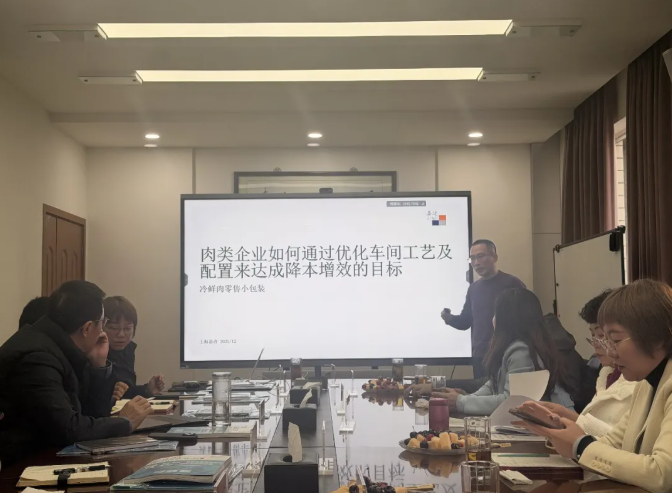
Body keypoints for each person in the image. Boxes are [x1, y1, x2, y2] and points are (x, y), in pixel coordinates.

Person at [516, 280, 672, 493]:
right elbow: (613, 444)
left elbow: (663, 473)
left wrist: (579, 445)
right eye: (603, 340)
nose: (610, 351)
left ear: (656, 338)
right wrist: (563, 433)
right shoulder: (646, 384)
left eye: (615, 340)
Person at [0, 281, 153, 464]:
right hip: (22, 468)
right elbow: (69, 429)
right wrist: (125, 421)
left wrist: (98, 366)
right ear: (87, 328)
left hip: (48, 458)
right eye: (103, 322)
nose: (103, 330)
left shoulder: (59, 347)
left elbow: (92, 416)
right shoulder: (37, 358)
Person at [432, 288, 575, 415]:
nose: (493, 320)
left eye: (495, 314)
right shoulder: (519, 346)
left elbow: (514, 402)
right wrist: (466, 399)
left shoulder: (522, 351)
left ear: (506, 320)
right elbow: (492, 385)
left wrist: (461, 402)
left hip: (555, 426)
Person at [522, 290, 636, 437]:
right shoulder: (606, 374)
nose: (596, 344)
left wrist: (570, 418)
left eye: (602, 336)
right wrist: (564, 417)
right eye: (592, 335)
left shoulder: (638, 379)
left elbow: (622, 441)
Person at [441, 239, 525, 379]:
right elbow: (466, 321)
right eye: (472, 258)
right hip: (480, 356)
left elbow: (527, 319)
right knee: (481, 390)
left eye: (480, 256)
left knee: (504, 391)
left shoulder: (512, 283)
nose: (476, 262)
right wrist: (448, 318)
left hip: (506, 353)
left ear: (495, 257)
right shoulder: (473, 289)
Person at [104, 296, 165, 399]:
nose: (121, 334)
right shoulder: (94, 353)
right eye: (114, 328)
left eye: (127, 328)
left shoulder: (128, 349)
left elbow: (126, 392)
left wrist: (148, 389)